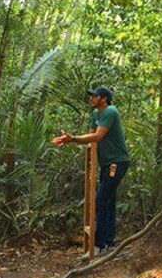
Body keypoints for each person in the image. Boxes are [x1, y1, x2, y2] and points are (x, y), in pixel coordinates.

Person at [53, 86, 130, 257]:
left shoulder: (110, 111)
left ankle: (99, 245)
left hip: (117, 162)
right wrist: (71, 140)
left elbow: (97, 137)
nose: (91, 99)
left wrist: (72, 139)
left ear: (103, 99)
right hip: (106, 164)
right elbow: (90, 137)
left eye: (94, 96)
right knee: (107, 201)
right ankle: (108, 243)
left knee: (101, 200)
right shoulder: (95, 115)